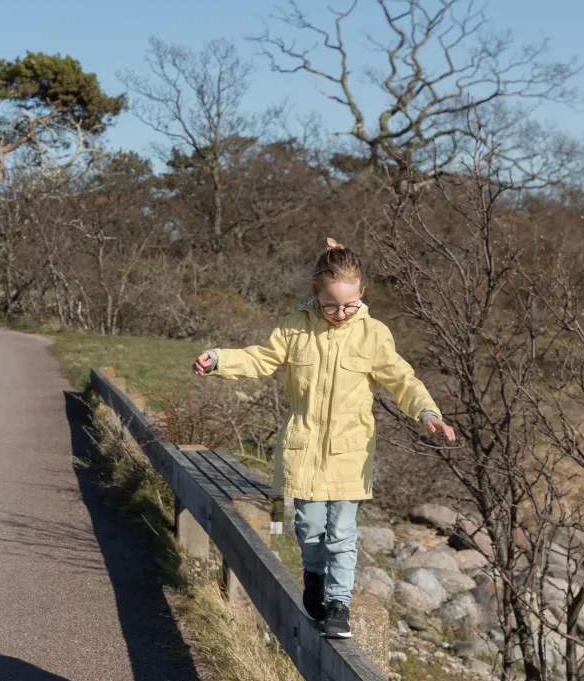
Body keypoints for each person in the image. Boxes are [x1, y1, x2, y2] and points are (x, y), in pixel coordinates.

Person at [191, 239, 456, 639]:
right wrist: (220, 359)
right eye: (331, 305)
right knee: (310, 528)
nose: (340, 313)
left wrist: (427, 411)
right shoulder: (295, 326)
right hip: (304, 447)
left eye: (349, 305)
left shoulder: (374, 334)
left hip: (350, 451)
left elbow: (402, 379)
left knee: (342, 532)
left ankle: (338, 605)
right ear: (315, 294)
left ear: (361, 294)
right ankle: (313, 575)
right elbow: (262, 358)